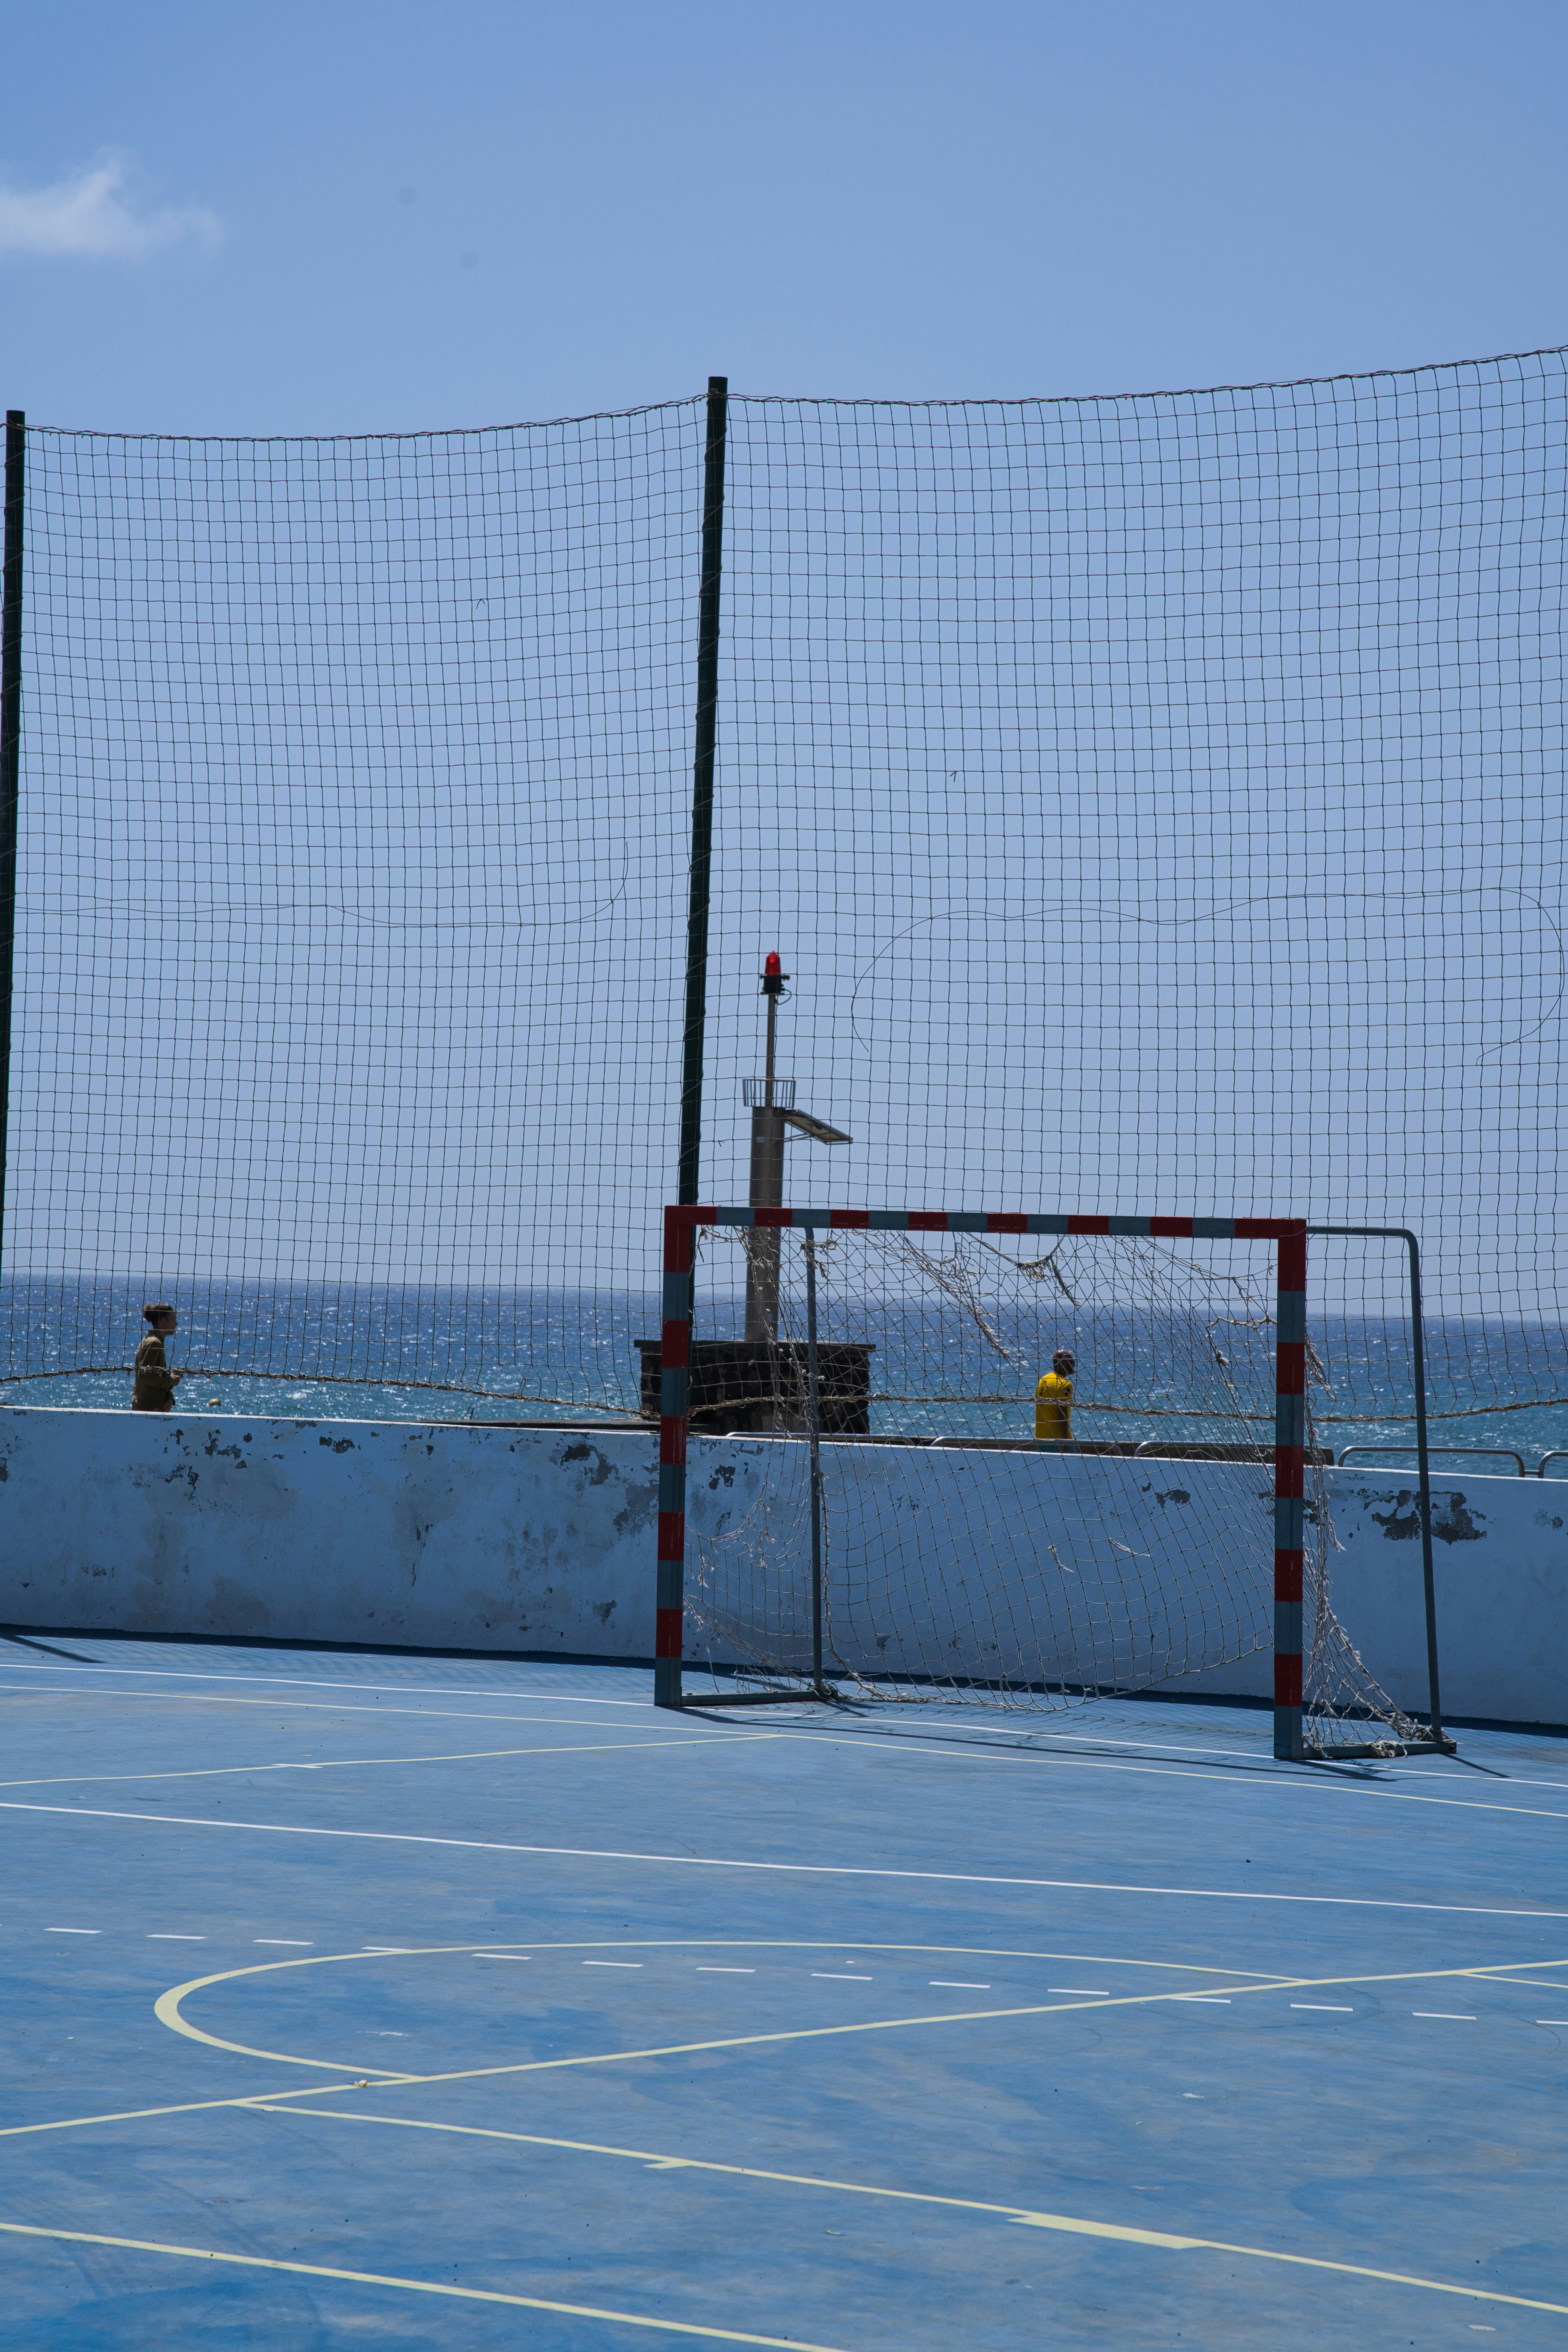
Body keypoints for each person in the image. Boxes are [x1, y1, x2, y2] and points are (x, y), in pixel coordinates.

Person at [132, 1302, 184, 1412]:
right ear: (164, 1322)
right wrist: (171, 1381)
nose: (177, 1324)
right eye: (174, 1320)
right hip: (147, 1412)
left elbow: (161, 1376)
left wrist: (170, 1399)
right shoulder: (154, 1343)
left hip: (154, 1410)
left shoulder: (157, 1342)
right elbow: (144, 1375)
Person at [1035, 1347, 1075, 1445]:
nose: (1074, 1365)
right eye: (1072, 1362)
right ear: (1064, 1364)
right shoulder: (1065, 1385)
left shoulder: (1043, 1380)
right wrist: (1065, 1444)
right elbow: (1062, 1416)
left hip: (1040, 1439)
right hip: (1057, 1440)